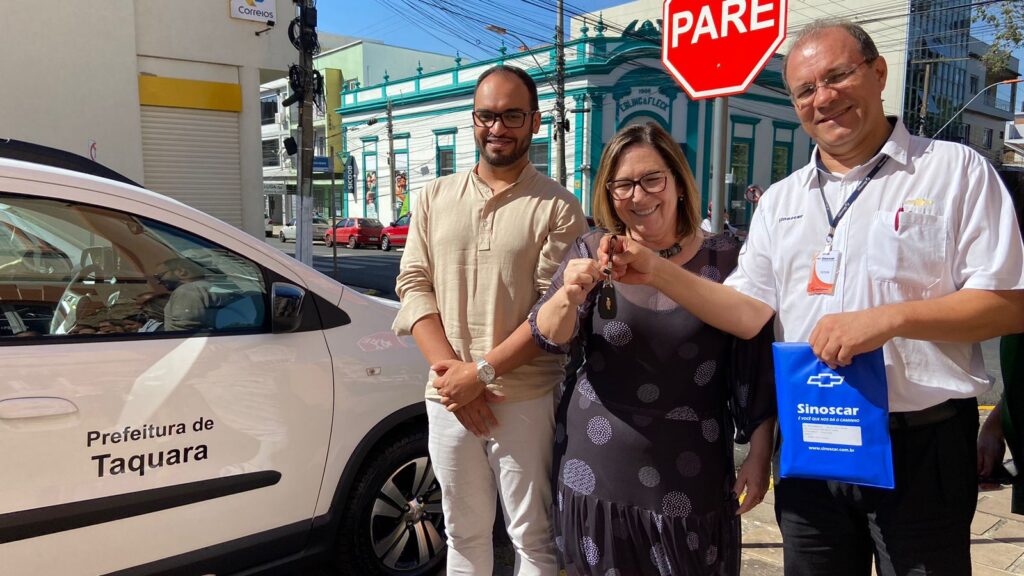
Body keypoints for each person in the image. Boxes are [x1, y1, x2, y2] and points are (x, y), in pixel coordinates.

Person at [601, 19, 1024, 576]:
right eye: (805, 90)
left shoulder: (954, 171)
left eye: (837, 76)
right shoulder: (780, 202)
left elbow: (1007, 304)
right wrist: (656, 271)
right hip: (814, 442)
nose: (822, 98)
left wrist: (890, 319)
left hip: (921, 446)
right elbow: (746, 313)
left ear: (878, 73)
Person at [530, 122, 776, 575]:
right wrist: (567, 296)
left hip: (692, 475)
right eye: (622, 185)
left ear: (679, 183)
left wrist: (759, 457)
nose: (638, 196)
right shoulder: (592, 249)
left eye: (652, 180)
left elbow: (756, 368)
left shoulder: (726, 257)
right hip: (597, 469)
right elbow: (548, 335)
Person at [392, 64, 587, 575]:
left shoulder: (559, 207)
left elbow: (552, 310)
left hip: (524, 397)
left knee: (532, 537)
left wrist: (480, 374)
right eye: (486, 115)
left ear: (535, 122)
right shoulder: (434, 197)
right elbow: (414, 285)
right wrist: (455, 380)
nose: (497, 127)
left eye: (511, 116)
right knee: (462, 533)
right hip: (449, 400)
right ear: (473, 119)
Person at [154, 257, 228, 331]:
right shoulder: (208, 287)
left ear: (181, 271)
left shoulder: (187, 290)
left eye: (159, 276)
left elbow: (183, 328)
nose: (158, 282)